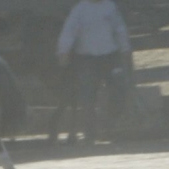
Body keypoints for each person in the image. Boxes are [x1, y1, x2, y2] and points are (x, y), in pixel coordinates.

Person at [56, 0, 132, 145]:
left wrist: (125, 47)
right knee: (88, 95)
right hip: (87, 59)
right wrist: (63, 51)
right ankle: (90, 133)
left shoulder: (110, 7)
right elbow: (69, 30)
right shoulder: (80, 10)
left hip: (110, 56)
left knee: (117, 90)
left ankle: (112, 127)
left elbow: (119, 28)